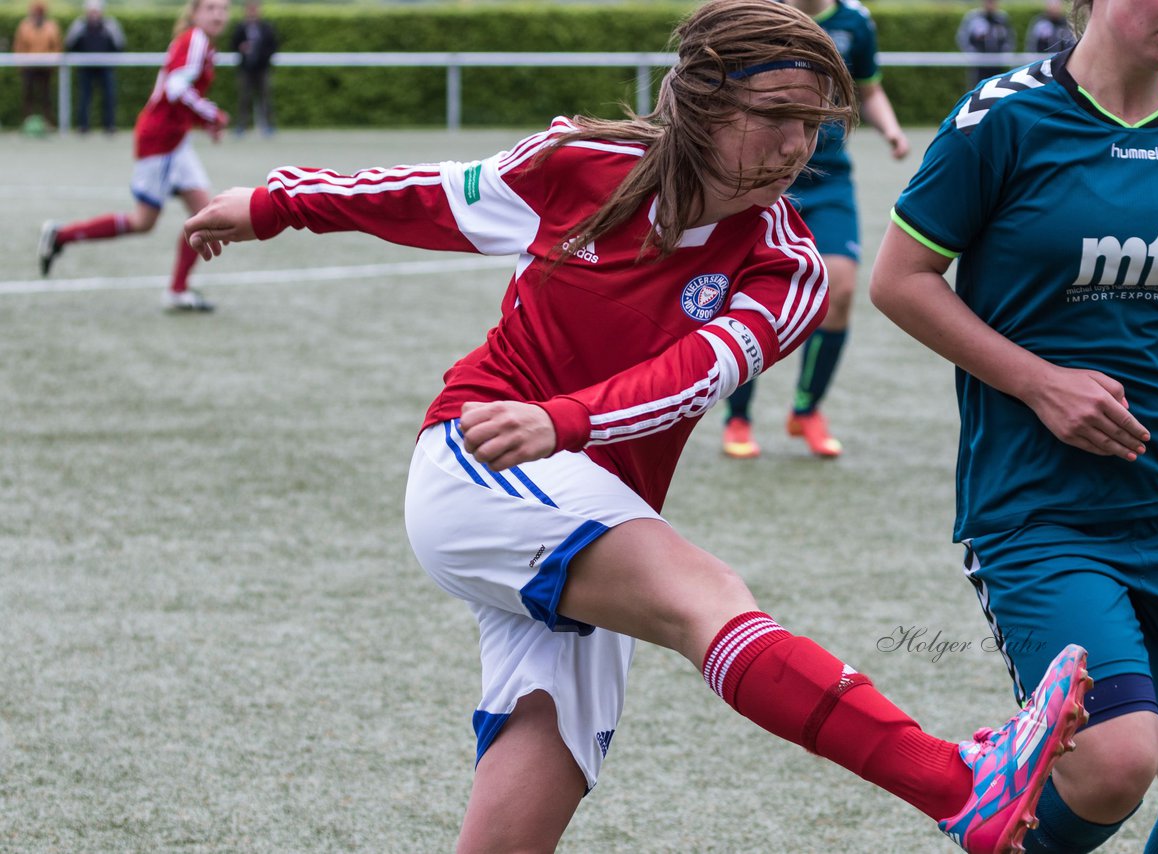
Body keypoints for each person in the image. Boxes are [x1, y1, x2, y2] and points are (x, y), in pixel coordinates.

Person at [182, 2, 1091, 851]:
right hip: (480, 459)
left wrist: (567, 421)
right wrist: (272, 206)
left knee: (538, 776)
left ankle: (959, 786)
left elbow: (694, 376)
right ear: (703, 103)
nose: (795, 145)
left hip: (578, 500)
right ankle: (953, 782)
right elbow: (430, 196)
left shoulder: (789, 267)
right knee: (707, 597)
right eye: (773, 113)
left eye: (814, 123)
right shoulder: (579, 165)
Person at [869, 0, 1158, 851]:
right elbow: (901, 280)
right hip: (1039, 506)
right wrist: (1041, 384)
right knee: (1111, 765)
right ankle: (994, 826)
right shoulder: (1003, 117)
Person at [721, 0, 910, 460]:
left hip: (827, 179)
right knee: (745, 291)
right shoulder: (759, 16)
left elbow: (869, 89)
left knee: (840, 288)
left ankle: (806, 409)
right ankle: (739, 416)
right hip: (762, 170)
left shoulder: (855, 21)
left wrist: (891, 130)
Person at [38, 0, 230, 313]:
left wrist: (204, 122)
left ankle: (177, 291)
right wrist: (213, 116)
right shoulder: (195, 39)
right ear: (194, 12)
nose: (218, 14)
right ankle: (61, 235)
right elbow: (176, 88)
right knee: (145, 222)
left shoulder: (201, 44)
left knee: (205, 214)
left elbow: (177, 98)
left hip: (174, 142)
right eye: (210, 7)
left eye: (223, 8)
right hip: (161, 143)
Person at [65, 0, 126, 135]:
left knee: (109, 96)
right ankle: (83, 126)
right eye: (91, 11)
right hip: (85, 67)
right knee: (84, 97)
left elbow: (120, 44)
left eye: (96, 11)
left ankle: (109, 126)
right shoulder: (79, 25)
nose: (93, 14)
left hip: (106, 67)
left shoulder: (110, 24)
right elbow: (69, 44)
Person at [229, 0, 278, 137]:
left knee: (265, 97)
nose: (252, 12)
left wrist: (261, 54)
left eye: (255, 9)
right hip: (246, 69)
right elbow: (233, 44)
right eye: (250, 9)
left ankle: (268, 126)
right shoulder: (240, 27)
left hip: (262, 69)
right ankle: (241, 126)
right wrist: (242, 48)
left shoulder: (266, 27)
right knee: (244, 98)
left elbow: (273, 46)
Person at [14, 0, 63, 132]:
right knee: (28, 96)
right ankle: (26, 123)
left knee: (46, 97)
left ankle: (48, 123)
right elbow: (19, 46)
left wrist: (54, 62)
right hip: (29, 67)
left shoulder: (51, 26)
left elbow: (57, 46)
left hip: (45, 67)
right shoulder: (24, 25)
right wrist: (21, 63)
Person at [955, 0, 1015, 88]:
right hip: (978, 65)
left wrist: (1004, 54)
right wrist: (972, 54)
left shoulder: (1002, 18)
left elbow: (1010, 38)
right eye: (988, 1)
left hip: (997, 64)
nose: (991, 4)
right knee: (977, 89)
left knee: (998, 89)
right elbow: (962, 37)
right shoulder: (973, 17)